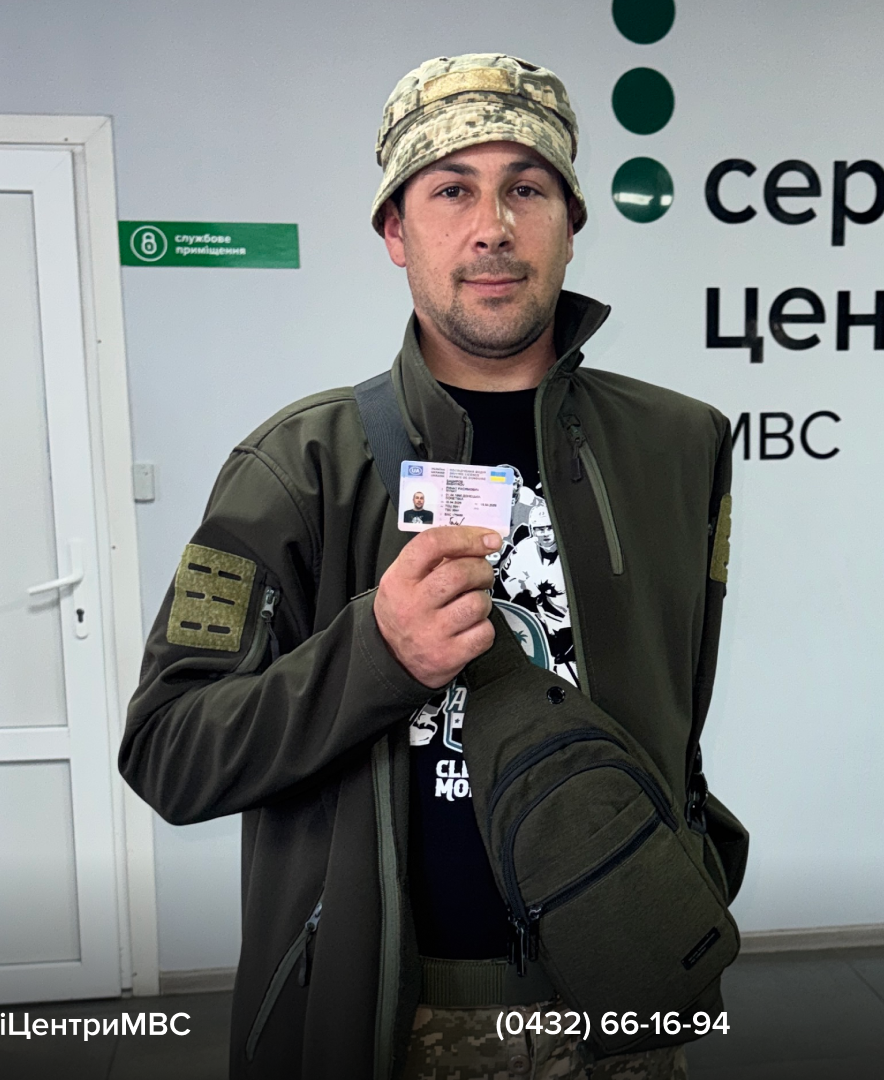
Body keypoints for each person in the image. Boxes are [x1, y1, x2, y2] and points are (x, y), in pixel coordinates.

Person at [119, 53, 745, 1080]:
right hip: (392, 1025)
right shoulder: (299, 466)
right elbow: (169, 753)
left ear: (571, 222)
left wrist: (694, 872)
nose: (492, 226)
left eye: (526, 189)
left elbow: (680, 718)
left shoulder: (680, 446)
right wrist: (375, 653)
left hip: (625, 1004)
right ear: (396, 233)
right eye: (452, 190)